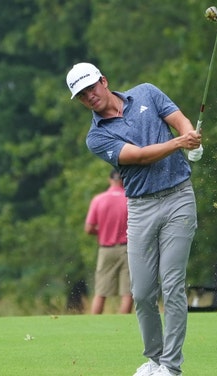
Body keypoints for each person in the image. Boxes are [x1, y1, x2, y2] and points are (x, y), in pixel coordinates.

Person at [66, 62, 201, 376]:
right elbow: (138, 157)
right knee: (141, 292)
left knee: (172, 285)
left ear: (104, 81)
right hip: (140, 208)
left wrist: (191, 137)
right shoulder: (96, 137)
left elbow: (179, 120)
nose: (89, 97)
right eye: (82, 95)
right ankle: (154, 359)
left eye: (91, 88)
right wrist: (180, 144)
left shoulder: (147, 93)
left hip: (178, 197)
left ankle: (171, 366)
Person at [84, 169, 132, 314]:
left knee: (101, 292)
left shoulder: (98, 199)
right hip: (127, 249)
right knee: (128, 292)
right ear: (123, 180)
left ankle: (93, 326)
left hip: (106, 249)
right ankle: (123, 328)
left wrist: (103, 231)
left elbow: (88, 228)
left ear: (110, 180)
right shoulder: (130, 198)